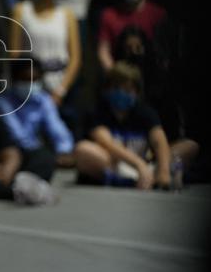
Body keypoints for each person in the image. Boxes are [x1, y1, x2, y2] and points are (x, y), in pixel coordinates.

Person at [74, 62, 198, 190]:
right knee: (83, 149)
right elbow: (107, 143)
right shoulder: (97, 112)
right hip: (116, 165)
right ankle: (133, 180)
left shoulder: (145, 112)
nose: (121, 93)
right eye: (116, 88)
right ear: (107, 89)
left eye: (127, 89)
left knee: (189, 146)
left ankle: (156, 176)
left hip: (148, 165)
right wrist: (140, 166)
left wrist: (163, 169)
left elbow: (159, 141)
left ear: (137, 92)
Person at [0, 61, 73, 205]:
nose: (30, 85)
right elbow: (15, 137)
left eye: (34, 80)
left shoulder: (43, 100)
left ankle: (22, 182)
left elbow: (57, 129)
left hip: (18, 157)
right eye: (25, 80)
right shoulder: (2, 103)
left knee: (45, 158)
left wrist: (65, 151)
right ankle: (18, 189)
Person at [9, 0, 81, 108]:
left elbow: (75, 58)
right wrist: (24, 83)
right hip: (29, 85)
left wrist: (61, 90)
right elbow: (14, 53)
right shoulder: (21, 10)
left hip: (59, 85)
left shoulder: (67, 15)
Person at [97, 0, 168, 72]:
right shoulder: (109, 15)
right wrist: (117, 77)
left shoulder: (159, 15)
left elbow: (165, 53)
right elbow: (103, 50)